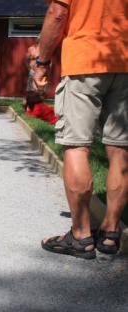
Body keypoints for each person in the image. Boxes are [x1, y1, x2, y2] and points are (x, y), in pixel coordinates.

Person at [36, 0, 127, 259]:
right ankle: (110, 233)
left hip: (84, 60)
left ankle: (80, 235)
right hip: (125, 63)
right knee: (120, 148)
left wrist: (42, 61)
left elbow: (57, 13)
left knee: (76, 145)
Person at [24, 36, 42, 107]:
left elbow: (49, 60)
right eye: (37, 39)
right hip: (32, 71)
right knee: (30, 89)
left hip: (41, 71)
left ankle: (38, 105)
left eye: (40, 39)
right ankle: (27, 105)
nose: (38, 40)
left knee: (40, 89)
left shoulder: (44, 49)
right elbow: (26, 60)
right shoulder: (31, 49)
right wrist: (29, 69)